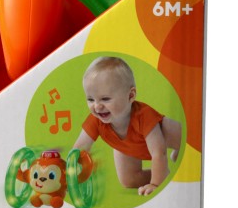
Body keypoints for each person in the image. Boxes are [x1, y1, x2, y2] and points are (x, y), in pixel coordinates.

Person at [73, 57, 181, 196]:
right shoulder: (96, 120)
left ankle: (170, 162)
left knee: (186, 139)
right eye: (91, 99)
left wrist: (155, 184)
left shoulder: (144, 116)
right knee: (128, 181)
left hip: (164, 138)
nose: (97, 106)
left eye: (105, 99)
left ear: (130, 96)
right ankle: (164, 174)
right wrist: (69, 174)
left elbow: (159, 152)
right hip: (126, 146)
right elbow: (78, 150)